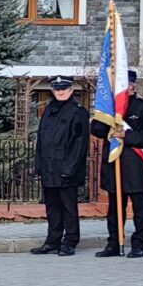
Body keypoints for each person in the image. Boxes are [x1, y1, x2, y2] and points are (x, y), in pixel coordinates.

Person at [92, 70, 143, 258]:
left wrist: (126, 135)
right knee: (114, 209)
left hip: (135, 165)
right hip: (114, 164)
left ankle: (139, 244)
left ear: (132, 86)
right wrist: (108, 121)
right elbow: (96, 129)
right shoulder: (109, 108)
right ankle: (114, 242)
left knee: (139, 209)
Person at [32, 76, 90, 255]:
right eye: (57, 89)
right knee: (52, 207)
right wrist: (39, 165)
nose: (60, 92)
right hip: (49, 167)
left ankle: (70, 241)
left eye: (64, 89)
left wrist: (69, 168)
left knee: (68, 207)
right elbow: (41, 140)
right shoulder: (49, 109)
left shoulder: (78, 111)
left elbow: (79, 143)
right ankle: (53, 241)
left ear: (71, 90)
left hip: (66, 167)